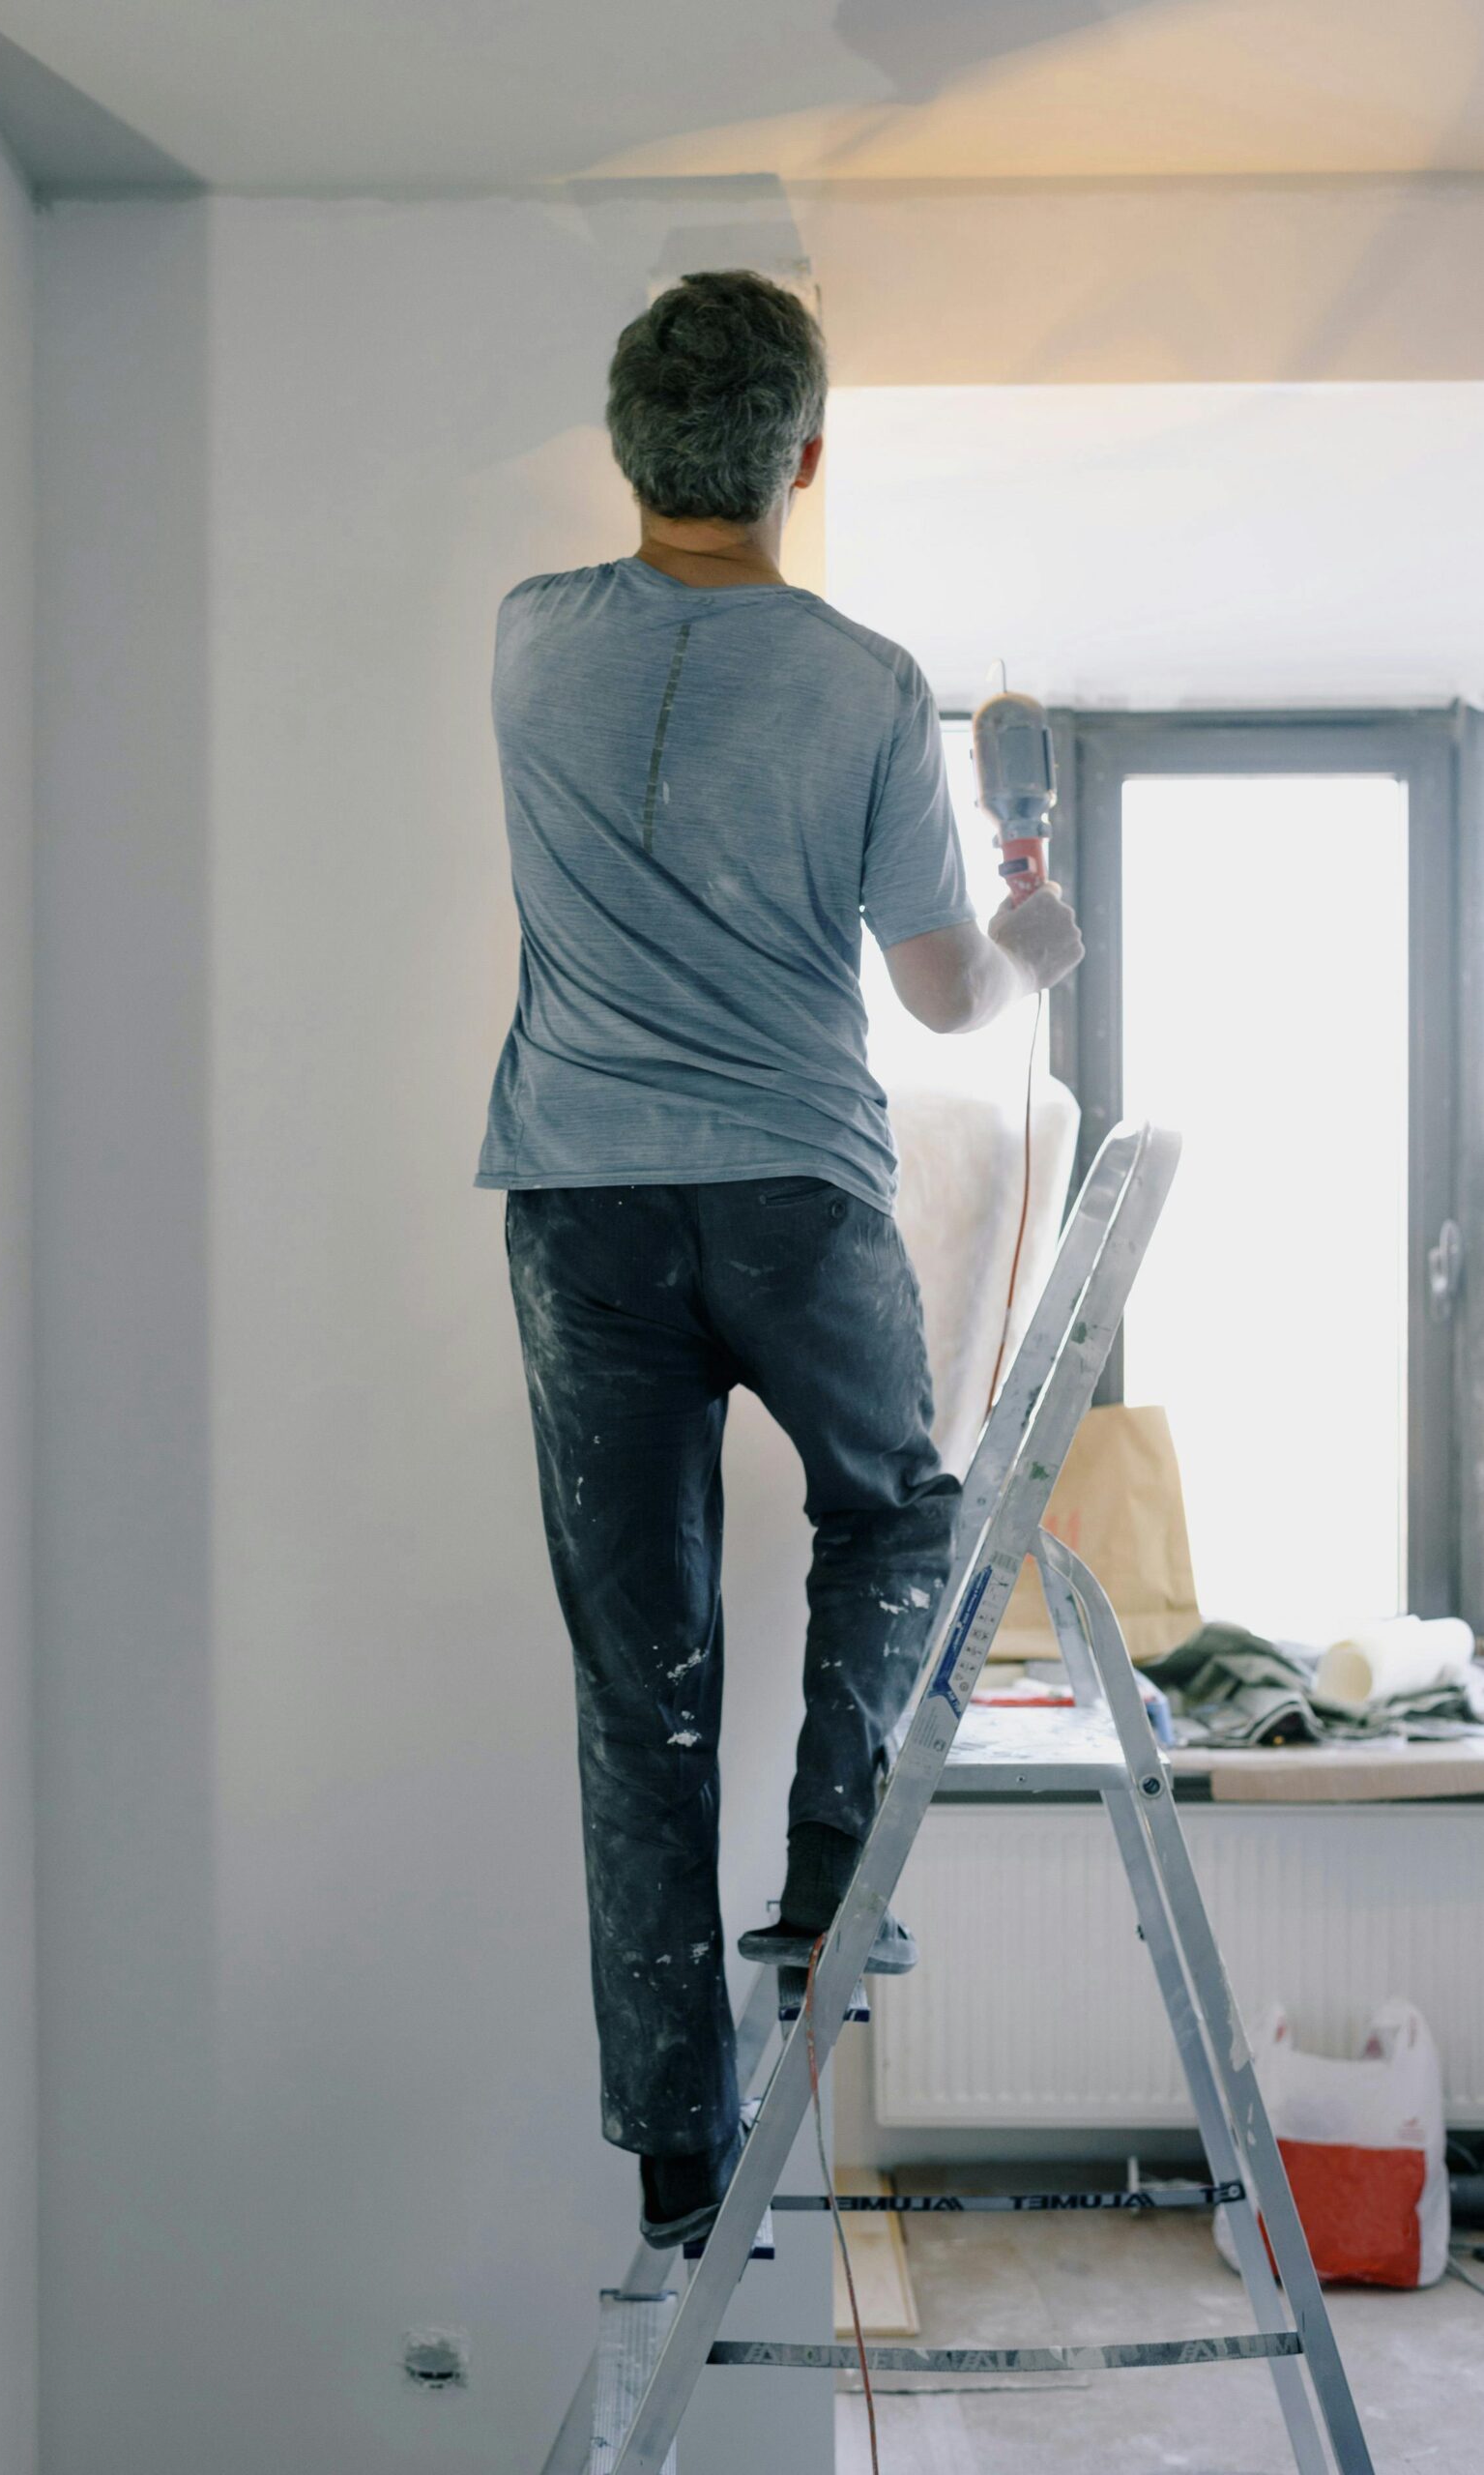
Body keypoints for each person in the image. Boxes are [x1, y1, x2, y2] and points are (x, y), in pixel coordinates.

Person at [477, 270, 1083, 2248]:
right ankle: (834, 1869)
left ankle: (673, 2147)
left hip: (582, 1205)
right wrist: (1034, 948)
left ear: (627, 446)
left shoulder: (527, 644)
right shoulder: (864, 683)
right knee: (899, 1505)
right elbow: (940, 996)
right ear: (802, 457)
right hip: (793, 1193)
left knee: (639, 1677)